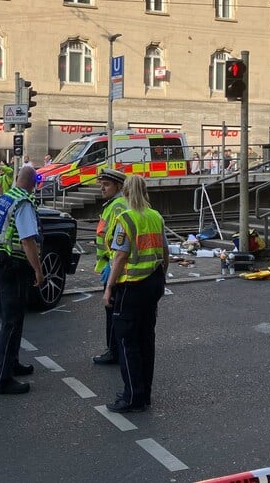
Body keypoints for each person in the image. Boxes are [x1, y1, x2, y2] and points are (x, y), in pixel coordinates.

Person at [103, 175, 169, 412]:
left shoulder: (126, 219)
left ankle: (132, 396)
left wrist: (109, 287)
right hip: (153, 284)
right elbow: (165, 252)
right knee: (146, 340)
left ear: (127, 193)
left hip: (131, 286)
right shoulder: (156, 216)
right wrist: (161, 277)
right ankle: (144, 393)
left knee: (126, 342)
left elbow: (120, 256)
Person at [0, 166, 45, 395]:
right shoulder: (24, 204)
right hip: (13, 267)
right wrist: (38, 270)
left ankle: (12, 363)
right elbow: (28, 241)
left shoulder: (3, 198)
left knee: (11, 319)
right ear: (33, 183)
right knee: (12, 322)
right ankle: (2, 379)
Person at [91, 169, 129, 366]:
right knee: (112, 311)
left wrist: (111, 266)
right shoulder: (112, 205)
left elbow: (118, 239)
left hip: (114, 266)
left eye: (106, 184)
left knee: (112, 311)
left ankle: (113, 350)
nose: (102, 188)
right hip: (109, 264)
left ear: (118, 187)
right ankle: (114, 349)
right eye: (101, 184)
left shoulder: (118, 206)